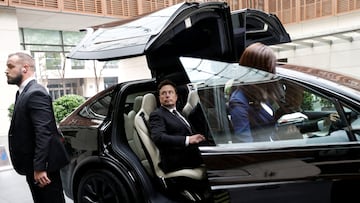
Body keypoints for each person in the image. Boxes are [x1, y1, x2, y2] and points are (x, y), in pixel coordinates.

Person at [5, 52, 69, 203]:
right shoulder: (22, 92)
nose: (6, 71)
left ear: (25, 68)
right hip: (33, 166)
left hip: (43, 169)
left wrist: (40, 167)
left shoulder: (36, 93)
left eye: (10, 66)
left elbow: (44, 132)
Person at [149, 79, 206, 173]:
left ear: (176, 97)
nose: (167, 95)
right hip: (176, 158)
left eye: (170, 92)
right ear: (159, 98)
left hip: (189, 153)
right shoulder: (157, 114)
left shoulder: (179, 113)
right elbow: (158, 137)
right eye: (163, 93)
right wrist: (188, 140)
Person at [228, 42, 278, 142]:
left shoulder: (260, 93)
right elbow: (245, 143)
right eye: (269, 69)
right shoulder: (239, 101)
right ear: (258, 70)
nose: (273, 73)